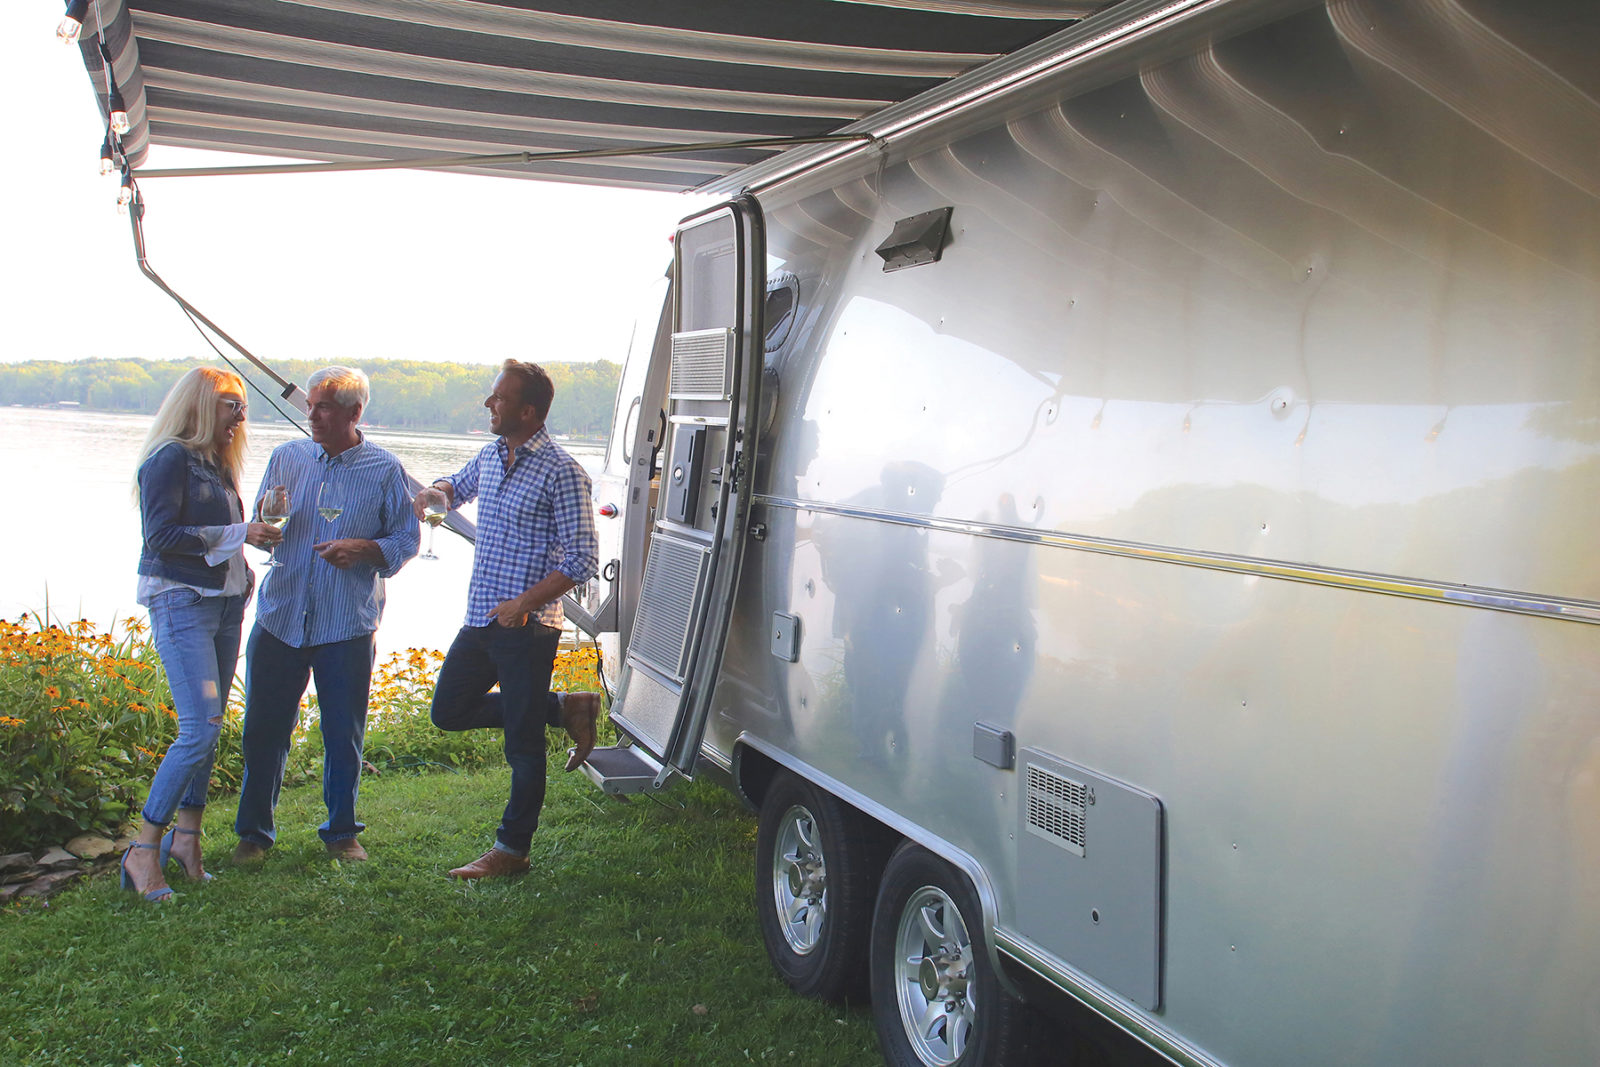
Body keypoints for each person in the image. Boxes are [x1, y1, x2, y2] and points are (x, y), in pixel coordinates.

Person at [413, 359, 600, 880]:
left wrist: (524, 603)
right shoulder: (492, 454)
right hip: (480, 617)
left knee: (522, 743)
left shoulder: (563, 472)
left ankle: (512, 851)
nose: (488, 404)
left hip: (528, 627)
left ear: (529, 411)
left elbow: (583, 558)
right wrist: (438, 491)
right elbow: (457, 485)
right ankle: (563, 707)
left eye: (499, 398)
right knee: (448, 710)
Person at [232, 367, 419, 865]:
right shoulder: (286, 456)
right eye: (311, 405)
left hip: (345, 624)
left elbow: (406, 540)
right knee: (263, 730)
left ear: (355, 412)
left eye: (324, 407)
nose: (312, 415)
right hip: (280, 615)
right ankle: (253, 834)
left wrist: (365, 549)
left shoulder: (384, 468)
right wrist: (259, 531)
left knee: (343, 733)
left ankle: (341, 833)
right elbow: (262, 522)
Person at [126, 367, 282, 900]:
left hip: (224, 607)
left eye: (242, 405)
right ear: (199, 404)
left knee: (211, 727)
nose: (241, 414)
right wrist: (239, 531)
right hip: (182, 604)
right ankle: (143, 850)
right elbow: (161, 535)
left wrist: (245, 561)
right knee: (198, 728)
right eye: (230, 404)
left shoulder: (218, 463)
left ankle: (187, 841)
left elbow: (218, 541)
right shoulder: (169, 457)